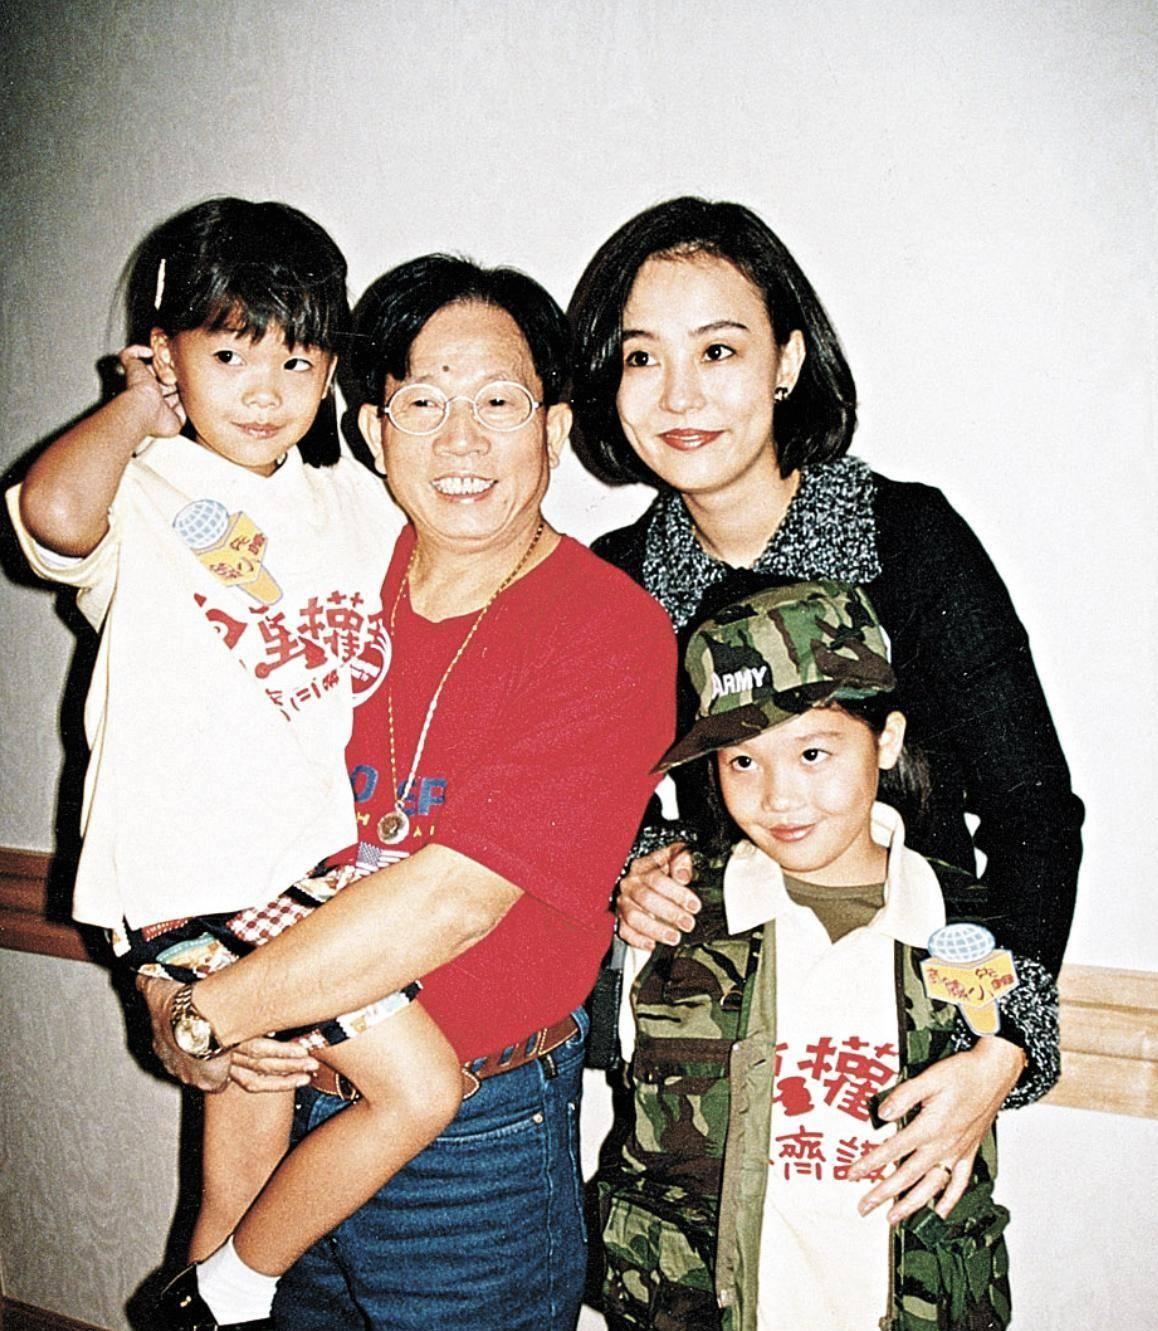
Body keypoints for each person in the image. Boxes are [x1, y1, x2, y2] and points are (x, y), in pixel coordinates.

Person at [135, 253, 678, 1331]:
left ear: (555, 429)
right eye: (423, 403)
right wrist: (164, 983)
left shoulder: (607, 628)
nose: (460, 440)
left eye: (498, 402)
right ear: (376, 435)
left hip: (471, 1144)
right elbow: (189, 778)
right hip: (276, 1090)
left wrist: (208, 1009)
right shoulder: (313, 583)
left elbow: (453, 901)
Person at [7, 198, 469, 1331]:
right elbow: (51, 513)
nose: (265, 390)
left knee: (240, 1172)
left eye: (297, 360)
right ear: (166, 355)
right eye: (228, 355)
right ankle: (227, 1293)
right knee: (420, 1086)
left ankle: (210, 1298)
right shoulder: (144, 483)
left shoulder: (349, 505)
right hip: (198, 873)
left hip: (301, 872)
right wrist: (137, 407)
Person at [569, 196, 1080, 1217]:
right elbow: (581, 818)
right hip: (709, 1071)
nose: (679, 393)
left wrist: (1001, 1048)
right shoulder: (615, 585)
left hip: (901, 1057)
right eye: (642, 356)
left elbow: (1033, 811)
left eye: (718, 350)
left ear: (788, 360)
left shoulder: (907, 542)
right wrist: (635, 875)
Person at [599, 578, 1031, 1330]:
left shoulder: (964, 918)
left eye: (812, 752)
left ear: (886, 740)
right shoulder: (671, 913)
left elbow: (1020, 1054)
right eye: (742, 761)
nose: (779, 796)